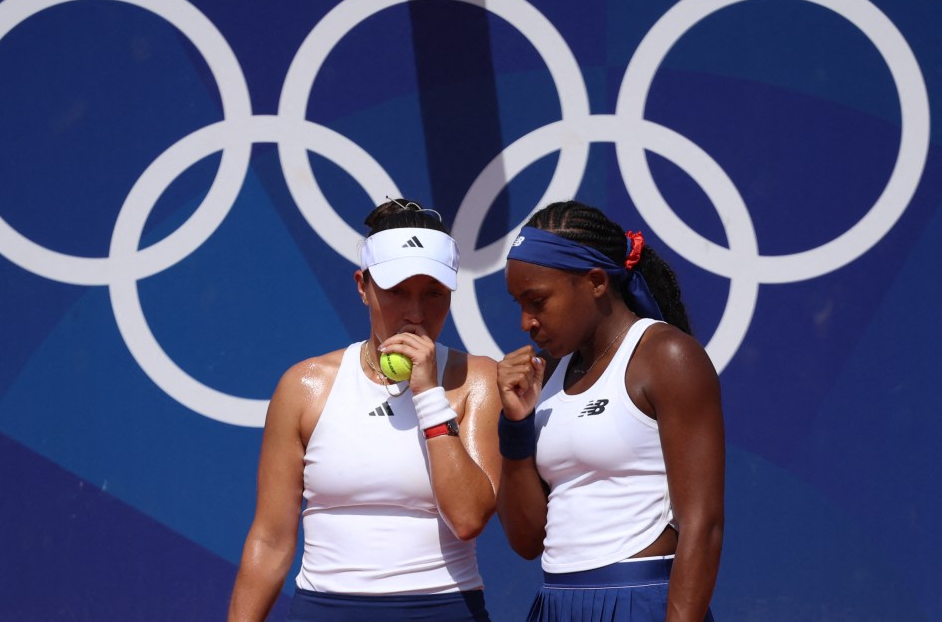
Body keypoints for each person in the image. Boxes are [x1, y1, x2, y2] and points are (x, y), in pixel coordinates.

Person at [227, 198, 501, 622]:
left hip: (444, 609)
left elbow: (467, 518)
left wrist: (428, 394)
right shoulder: (304, 386)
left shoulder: (478, 380)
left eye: (433, 293)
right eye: (396, 292)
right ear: (363, 287)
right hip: (325, 610)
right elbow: (270, 539)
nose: (415, 313)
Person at [495, 200, 724, 622]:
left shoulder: (667, 356)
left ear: (597, 282)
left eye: (538, 301)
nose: (526, 322)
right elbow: (527, 541)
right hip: (554, 604)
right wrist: (514, 426)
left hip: (643, 603)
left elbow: (703, 524)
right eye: (518, 304)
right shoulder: (545, 378)